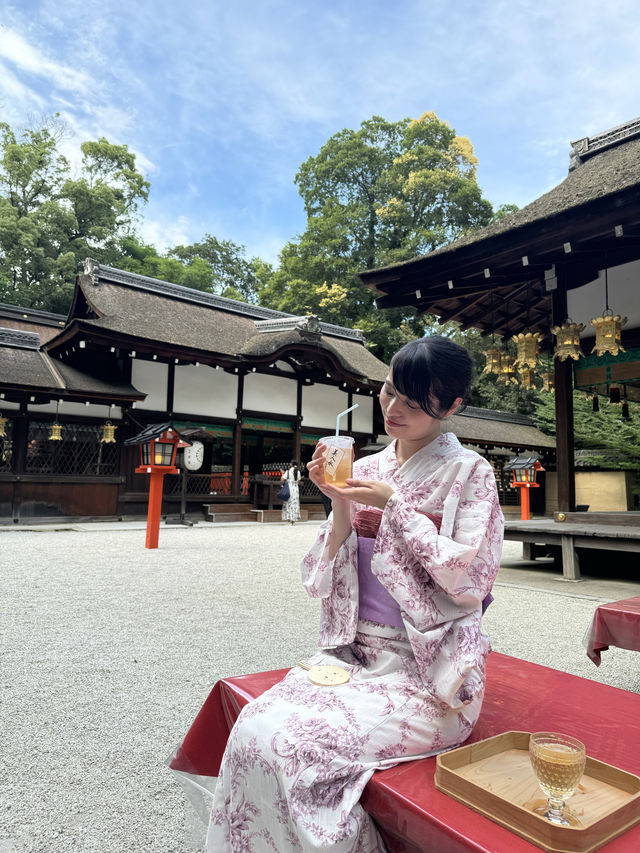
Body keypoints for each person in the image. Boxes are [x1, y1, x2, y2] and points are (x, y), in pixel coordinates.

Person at [205, 336, 504, 852]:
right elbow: (324, 576)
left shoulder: (469, 472)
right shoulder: (364, 468)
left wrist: (397, 509)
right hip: (356, 655)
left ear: (452, 406)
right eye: (388, 392)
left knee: (298, 749)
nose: (392, 408)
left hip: (427, 671)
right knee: (253, 726)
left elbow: (469, 579)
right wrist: (339, 504)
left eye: (413, 402)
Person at [281, 459, 302, 524]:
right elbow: (298, 480)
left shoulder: (288, 472)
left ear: (291, 464)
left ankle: (289, 518)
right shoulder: (298, 472)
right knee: (295, 503)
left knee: (288, 503)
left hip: (289, 488)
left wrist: (282, 474)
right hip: (295, 488)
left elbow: (282, 479)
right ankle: (294, 518)